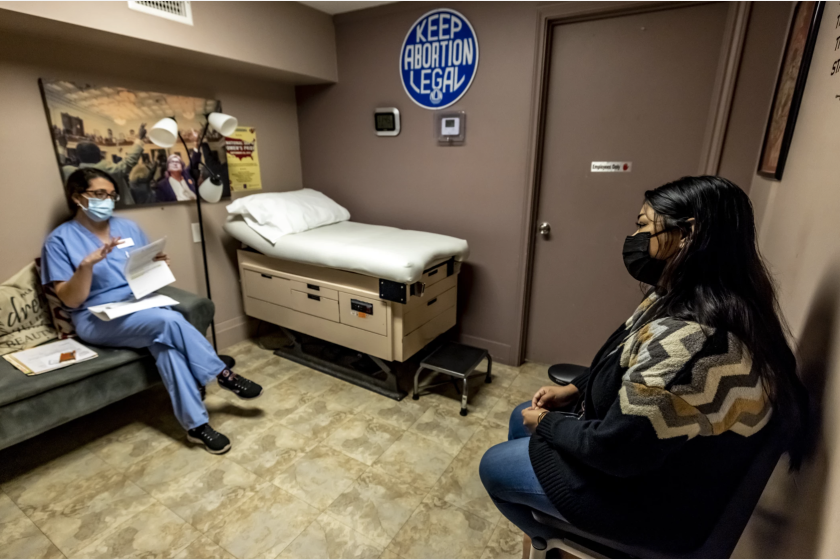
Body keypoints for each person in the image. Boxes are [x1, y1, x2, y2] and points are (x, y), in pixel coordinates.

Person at [479, 176, 809, 555]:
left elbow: (617, 451)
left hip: (649, 500)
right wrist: (575, 390)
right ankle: (548, 519)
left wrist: (550, 424)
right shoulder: (690, 298)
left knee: (493, 465)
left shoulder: (692, 344)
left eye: (643, 227)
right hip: (649, 458)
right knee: (522, 414)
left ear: (687, 235)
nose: (634, 238)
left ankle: (553, 539)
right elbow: (622, 358)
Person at [40, 168, 263, 454]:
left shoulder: (129, 228)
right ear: (77, 197)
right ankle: (222, 374)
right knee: (169, 320)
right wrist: (86, 267)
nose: (107, 200)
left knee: (166, 346)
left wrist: (155, 266)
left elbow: (140, 276)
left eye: (111, 195)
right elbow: (70, 301)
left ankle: (196, 427)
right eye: (98, 194)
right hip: (96, 317)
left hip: (138, 305)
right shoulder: (59, 241)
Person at [61, 123, 148, 206]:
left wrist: (61, 146)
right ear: (99, 154)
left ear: (78, 157)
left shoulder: (69, 173)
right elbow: (129, 161)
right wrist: (140, 139)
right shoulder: (107, 170)